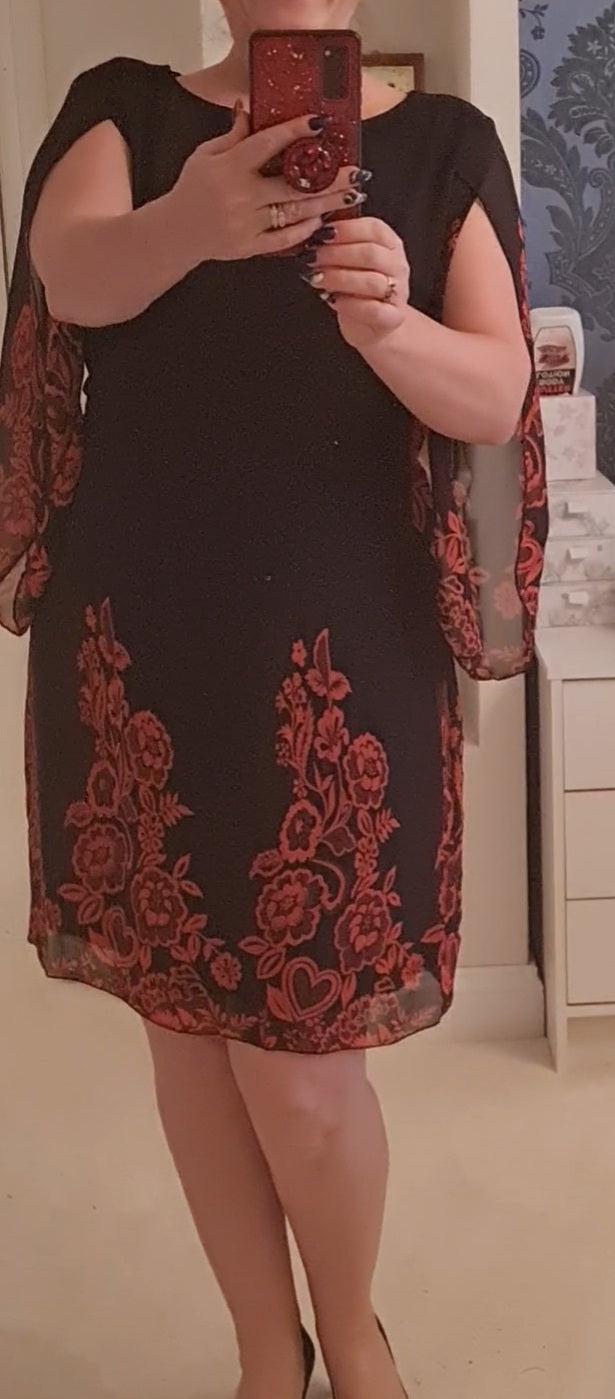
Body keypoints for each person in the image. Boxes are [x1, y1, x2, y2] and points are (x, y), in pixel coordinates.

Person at [0, 2, 547, 1397]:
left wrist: (389, 327)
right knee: (189, 1034)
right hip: (143, 658)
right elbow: (70, 279)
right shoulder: (125, 110)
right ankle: (266, 1353)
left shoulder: (441, 147)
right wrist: (191, 221)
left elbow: (495, 394)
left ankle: (352, 1340)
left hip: (341, 677)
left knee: (303, 1070)